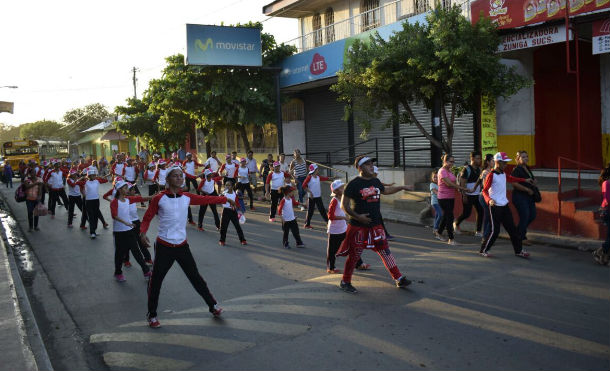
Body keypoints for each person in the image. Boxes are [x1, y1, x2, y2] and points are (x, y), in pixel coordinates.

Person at [140, 165, 233, 328]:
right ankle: (152, 314)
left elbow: (207, 199)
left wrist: (225, 199)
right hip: (164, 246)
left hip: (182, 246)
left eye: (181, 176)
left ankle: (213, 306)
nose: (179, 178)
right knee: (156, 281)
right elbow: (147, 217)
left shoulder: (187, 197)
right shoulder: (159, 198)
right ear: (168, 179)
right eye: (175, 176)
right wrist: (142, 233)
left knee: (195, 277)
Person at [337, 156, 412, 293]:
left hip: (376, 226)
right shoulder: (352, 184)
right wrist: (358, 217)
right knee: (355, 254)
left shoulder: (375, 181)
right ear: (360, 168)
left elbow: (386, 191)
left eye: (372, 164)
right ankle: (345, 281)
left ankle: (399, 278)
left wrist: (401, 187)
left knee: (385, 251)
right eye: (367, 164)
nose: (371, 166)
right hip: (358, 227)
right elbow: (344, 205)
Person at [480, 152, 533, 258]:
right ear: (497, 162)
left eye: (506, 163)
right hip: (494, 206)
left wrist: (525, 180)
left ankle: (519, 251)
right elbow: (484, 191)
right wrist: (489, 200)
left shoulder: (503, 174)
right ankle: (484, 250)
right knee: (495, 231)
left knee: (513, 230)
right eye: (504, 163)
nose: (506, 165)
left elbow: (511, 178)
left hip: (504, 205)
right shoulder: (491, 175)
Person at [109, 181, 152, 282]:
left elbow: (141, 198)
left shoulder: (128, 200)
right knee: (120, 254)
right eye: (125, 188)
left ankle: (146, 271)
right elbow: (114, 215)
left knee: (136, 251)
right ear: (119, 190)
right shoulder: (114, 202)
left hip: (129, 231)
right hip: (119, 232)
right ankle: (118, 272)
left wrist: (152, 197)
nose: (127, 190)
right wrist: (126, 223)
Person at [510, 150, 539, 246]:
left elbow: (529, 180)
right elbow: (514, 183)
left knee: (532, 215)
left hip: (529, 197)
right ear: (517, 159)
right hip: (520, 197)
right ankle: (521, 237)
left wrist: (534, 182)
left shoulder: (527, 168)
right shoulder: (516, 170)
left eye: (526, 156)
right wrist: (526, 189)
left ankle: (517, 232)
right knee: (525, 216)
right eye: (523, 157)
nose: (526, 158)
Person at [437, 155, 466, 245]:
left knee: (446, 216)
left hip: (451, 197)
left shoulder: (449, 170)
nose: (452, 164)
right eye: (450, 161)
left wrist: (458, 187)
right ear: (445, 161)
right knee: (450, 217)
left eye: (453, 162)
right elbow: (449, 184)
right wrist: (461, 188)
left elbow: (453, 182)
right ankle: (451, 239)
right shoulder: (442, 171)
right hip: (443, 198)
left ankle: (438, 233)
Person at [454, 151, 483, 236]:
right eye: (477, 158)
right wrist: (464, 195)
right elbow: (463, 182)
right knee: (467, 213)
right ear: (472, 159)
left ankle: (478, 231)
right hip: (468, 195)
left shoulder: (479, 169)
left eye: (480, 158)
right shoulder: (466, 169)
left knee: (481, 212)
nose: (479, 160)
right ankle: (456, 223)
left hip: (477, 195)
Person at [218, 180, 247, 246]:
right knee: (223, 227)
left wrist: (239, 210)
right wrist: (220, 196)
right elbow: (220, 199)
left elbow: (237, 203)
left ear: (232, 186)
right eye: (226, 185)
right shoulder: (224, 193)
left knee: (237, 226)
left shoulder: (234, 194)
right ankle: (222, 240)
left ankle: (242, 240)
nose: (227, 186)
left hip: (233, 211)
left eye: (229, 185)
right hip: (226, 211)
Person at [82, 170, 110, 239]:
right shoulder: (85, 182)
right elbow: (76, 183)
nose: (94, 176)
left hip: (96, 200)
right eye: (93, 175)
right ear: (89, 176)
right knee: (91, 216)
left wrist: (99, 176)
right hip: (88, 201)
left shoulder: (97, 181)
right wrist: (82, 178)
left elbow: (106, 180)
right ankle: (92, 232)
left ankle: (94, 230)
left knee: (95, 216)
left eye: (95, 175)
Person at [302, 164, 330, 229]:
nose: (318, 170)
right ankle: (307, 224)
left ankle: (328, 223)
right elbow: (303, 186)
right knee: (310, 211)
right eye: (317, 169)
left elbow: (323, 178)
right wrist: (310, 192)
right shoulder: (309, 177)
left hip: (318, 196)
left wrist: (329, 178)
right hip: (311, 197)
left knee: (322, 210)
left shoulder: (318, 177)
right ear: (314, 170)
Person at [594, 166, 610, 265]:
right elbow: (608, 199)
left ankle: (603, 256)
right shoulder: (606, 183)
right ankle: (600, 252)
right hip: (608, 211)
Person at [477, 154, 494, 241]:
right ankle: (485, 237)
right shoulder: (485, 172)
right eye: (492, 160)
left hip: (490, 197)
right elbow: (484, 186)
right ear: (487, 162)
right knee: (488, 216)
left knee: (489, 217)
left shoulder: (493, 171)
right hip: (484, 197)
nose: (494, 162)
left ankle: (487, 236)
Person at [430, 171, 444, 240]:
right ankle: (436, 228)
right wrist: (441, 194)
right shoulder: (432, 184)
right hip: (435, 202)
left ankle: (434, 228)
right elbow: (435, 191)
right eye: (434, 177)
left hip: (440, 202)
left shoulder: (439, 184)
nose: (435, 178)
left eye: (436, 177)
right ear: (432, 178)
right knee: (440, 214)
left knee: (437, 215)